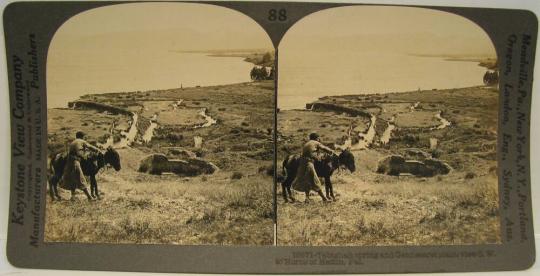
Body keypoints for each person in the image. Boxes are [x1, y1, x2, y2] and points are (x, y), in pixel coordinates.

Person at [291, 132, 337, 202]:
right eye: (318, 138)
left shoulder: (306, 143)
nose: (319, 139)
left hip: (302, 163)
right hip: (309, 163)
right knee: (315, 180)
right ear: (316, 138)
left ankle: (307, 198)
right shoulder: (316, 142)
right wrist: (332, 151)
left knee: (306, 179)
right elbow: (324, 148)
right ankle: (324, 199)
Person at [60, 131, 101, 201]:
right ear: (82, 136)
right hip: (75, 161)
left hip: (69, 161)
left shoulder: (73, 142)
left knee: (72, 178)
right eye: (84, 137)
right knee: (80, 178)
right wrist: (97, 149)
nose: (84, 138)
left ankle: (72, 197)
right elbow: (89, 146)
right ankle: (89, 197)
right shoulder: (82, 141)